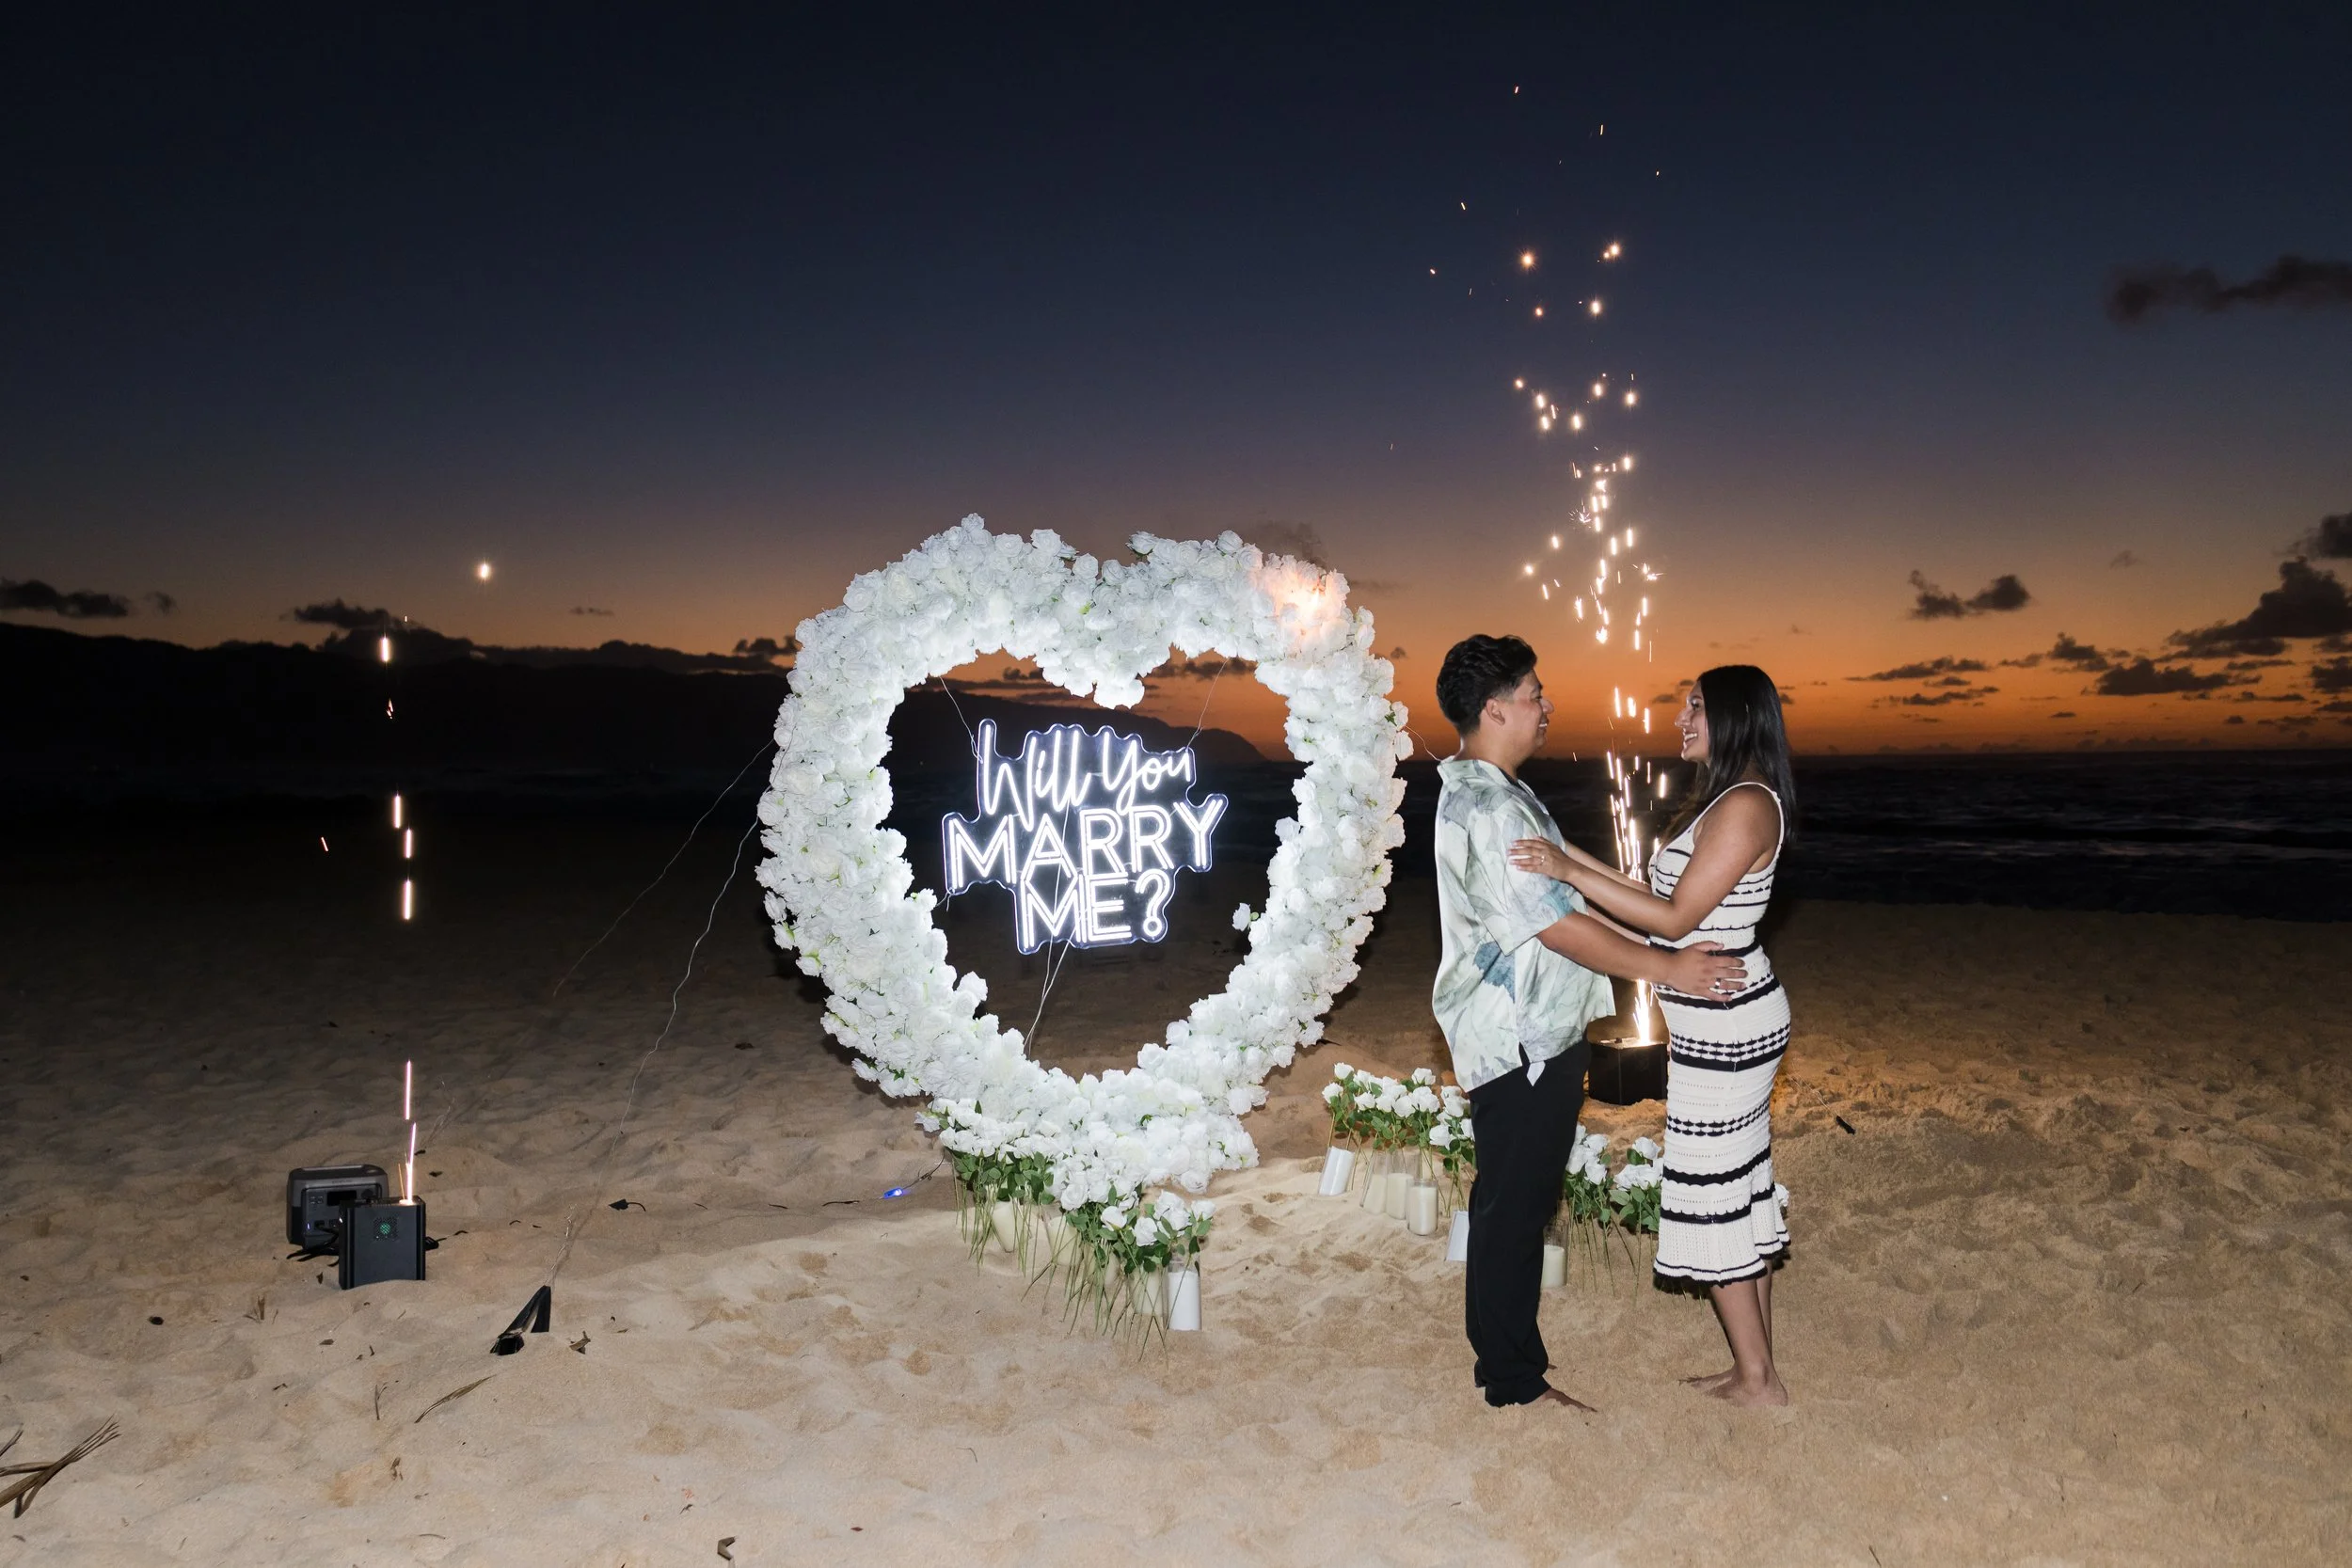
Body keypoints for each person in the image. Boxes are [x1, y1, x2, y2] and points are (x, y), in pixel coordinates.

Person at [1431, 635, 1747, 1413]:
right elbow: (1554, 926)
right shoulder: (1492, 804)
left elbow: (1569, 882)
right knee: (1515, 1206)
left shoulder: (1495, 789)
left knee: (1514, 1197)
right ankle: (1512, 1380)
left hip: (1535, 1029)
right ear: (1496, 708)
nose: (1547, 705)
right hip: (1521, 1037)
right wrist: (1668, 966)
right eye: (1535, 693)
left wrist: (1657, 924)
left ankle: (1506, 1366)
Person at [1507, 664, 1795, 1405]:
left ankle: (1759, 1380)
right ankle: (1754, 1367)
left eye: (1696, 707)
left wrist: (1570, 867)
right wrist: (1573, 869)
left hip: (1729, 1024)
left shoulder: (1746, 807)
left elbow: (1671, 923)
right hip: (1715, 1017)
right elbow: (1653, 894)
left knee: (1715, 1187)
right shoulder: (1728, 802)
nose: (1681, 719)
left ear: (1733, 716)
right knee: (1740, 1184)